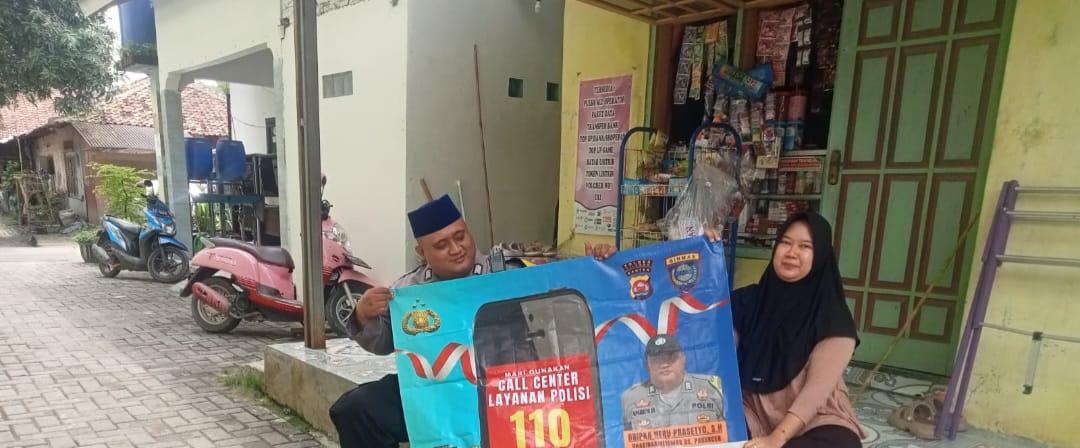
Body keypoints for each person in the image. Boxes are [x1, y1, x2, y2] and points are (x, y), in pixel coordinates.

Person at [329, 194, 616, 448]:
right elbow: (383, 344)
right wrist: (363, 315)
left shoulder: (509, 271)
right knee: (355, 409)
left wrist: (598, 267)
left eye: (460, 236)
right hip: (439, 394)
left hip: (511, 391)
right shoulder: (409, 291)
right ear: (422, 253)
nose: (457, 249)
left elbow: (564, 286)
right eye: (441, 245)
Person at [708, 211, 862, 448]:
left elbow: (815, 393)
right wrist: (703, 255)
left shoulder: (833, 317)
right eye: (785, 243)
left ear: (820, 255)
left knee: (842, 445)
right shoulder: (748, 301)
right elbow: (709, 336)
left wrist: (777, 438)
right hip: (752, 412)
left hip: (813, 418)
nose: (792, 253)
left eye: (805, 246)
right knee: (708, 431)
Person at [620, 334, 724, 430]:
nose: (664, 364)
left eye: (671, 357)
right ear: (647, 365)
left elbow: (729, 430)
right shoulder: (631, 398)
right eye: (657, 359)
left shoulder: (711, 388)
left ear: (683, 358)